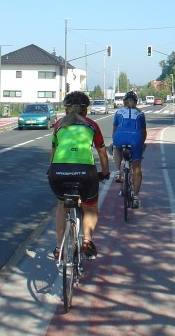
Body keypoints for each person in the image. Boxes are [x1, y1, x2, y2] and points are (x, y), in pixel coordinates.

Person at [47, 91, 110, 260]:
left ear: (66, 109)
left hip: (58, 171)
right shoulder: (91, 125)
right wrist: (105, 173)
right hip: (85, 172)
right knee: (90, 207)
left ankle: (59, 248)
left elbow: (53, 151)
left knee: (62, 206)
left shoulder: (59, 125)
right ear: (86, 111)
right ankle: (87, 241)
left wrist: (50, 169)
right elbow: (102, 153)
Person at [112, 91, 147, 208]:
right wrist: (142, 143)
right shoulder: (140, 114)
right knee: (137, 169)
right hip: (135, 138)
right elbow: (143, 132)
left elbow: (114, 129)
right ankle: (136, 197)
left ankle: (117, 171)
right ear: (136, 102)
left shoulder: (118, 112)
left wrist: (114, 141)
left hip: (120, 137)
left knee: (116, 148)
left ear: (124, 101)